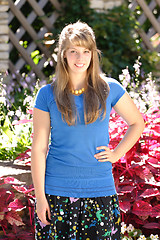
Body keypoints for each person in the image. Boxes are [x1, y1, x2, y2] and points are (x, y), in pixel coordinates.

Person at [31, 21, 145, 240]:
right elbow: (39, 149)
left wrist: (116, 153)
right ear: (63, 54)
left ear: (93, 54)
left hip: (100, 191)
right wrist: (40, 197)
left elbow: (137, 123)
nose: (80, 58)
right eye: (73, 51)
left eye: (86, 51)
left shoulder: (110, 88)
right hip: (57, 193)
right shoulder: (47, 94)